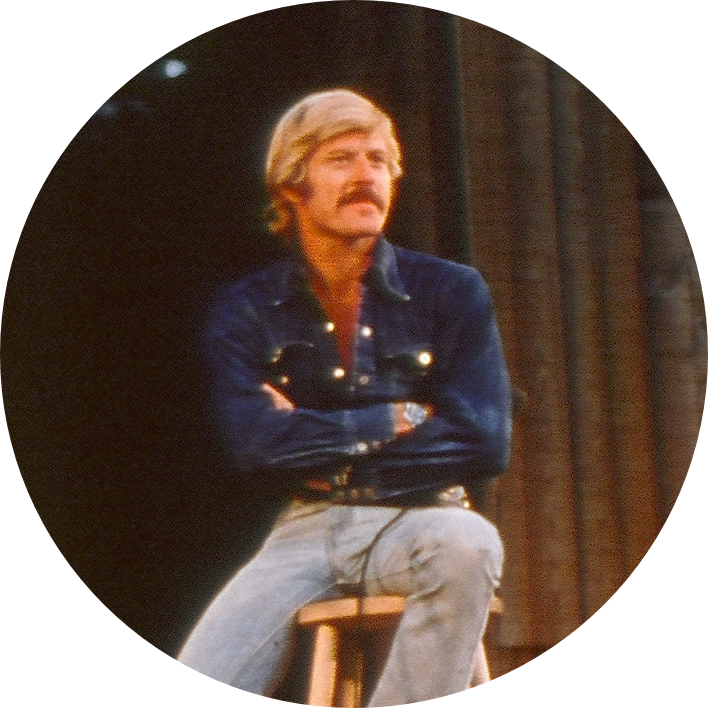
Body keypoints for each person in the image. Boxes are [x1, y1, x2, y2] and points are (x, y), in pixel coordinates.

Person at [177, 89, 511, 708]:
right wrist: (394, 419)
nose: (366, 176)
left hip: (422, 517)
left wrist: (311, 435)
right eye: (341, 159)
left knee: (471, 544)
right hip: (307, 526)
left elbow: (485, 441)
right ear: (291, 187)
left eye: (378, 160)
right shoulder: (247, 308)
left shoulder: (452, 290)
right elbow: (250, 445)